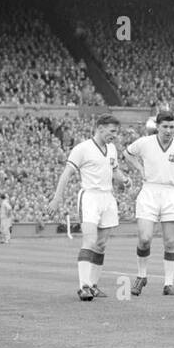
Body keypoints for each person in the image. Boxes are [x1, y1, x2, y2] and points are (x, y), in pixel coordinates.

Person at [123, 111, 174, 296]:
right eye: (165, 127)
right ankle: (141, 276)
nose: (168, 130)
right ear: (157, 127)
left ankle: (168, 284)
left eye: (171, 127)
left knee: (170, 241)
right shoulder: (145, 142)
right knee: (144, 238)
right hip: (149, 191)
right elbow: (127, 154)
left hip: (171, 193)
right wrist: (140, 168)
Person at [48, 114, 127, 300]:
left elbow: (114, 171)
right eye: (112, 131)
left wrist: (125, 180)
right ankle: (83, 286)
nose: (114, 135)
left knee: (101, 245)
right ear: (100, 128)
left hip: (107, 198)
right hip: (90, 197)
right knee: (90, 241)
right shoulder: (82, 148)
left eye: (116, 132)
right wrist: (57, 197)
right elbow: (67, 173)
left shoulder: (112, 149)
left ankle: (93, 285)